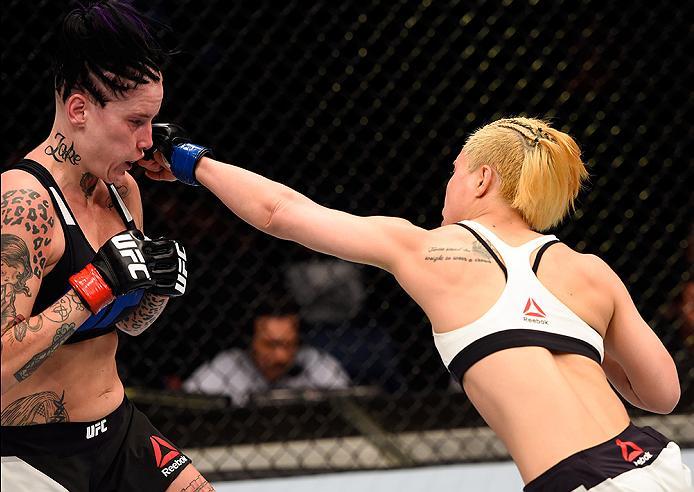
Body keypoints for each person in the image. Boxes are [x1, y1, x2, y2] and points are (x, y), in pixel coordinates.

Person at [140, 117, 692, 490]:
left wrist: (192, 164)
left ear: (482, 179)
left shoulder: (429, 249)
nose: (445, 185)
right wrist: (585, 341)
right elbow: (663, 394)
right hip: (654, 461)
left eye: (453, 171)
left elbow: (282, 212)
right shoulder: (589, 270)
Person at [0, 2, 213, 491]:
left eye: (153, 122)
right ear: (79, 110)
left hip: (119, 434)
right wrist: (93, 287)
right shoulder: (23, 203)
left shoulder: (123, 190)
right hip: (30, 453)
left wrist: (157, 287)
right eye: (136, 121)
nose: (147, 142)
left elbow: (128, 324)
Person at [183, 296, 351, 406]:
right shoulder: (224, 369)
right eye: (270, 345)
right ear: (250, 341)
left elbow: (350, 407)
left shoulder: (317, 363)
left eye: (289, 344)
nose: (281, 356)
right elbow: (187, 408)